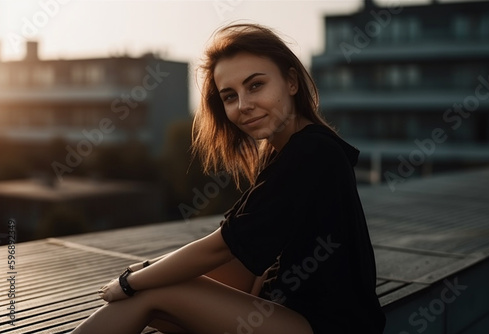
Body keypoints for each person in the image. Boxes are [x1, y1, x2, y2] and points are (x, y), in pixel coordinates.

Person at [72, 23, 386, 334]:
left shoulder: (311, 151)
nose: (243, 106)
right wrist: (145, 272)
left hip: (326, 325)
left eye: (255, 85)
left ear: (291, 82)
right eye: (229, 96)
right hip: (286, 306)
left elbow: (223, 247)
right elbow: (249, 252)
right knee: (153, 284)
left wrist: (131, 280)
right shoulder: (290, 147)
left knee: (150, 290)